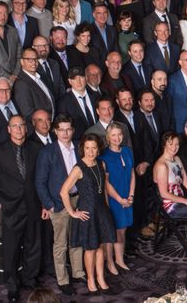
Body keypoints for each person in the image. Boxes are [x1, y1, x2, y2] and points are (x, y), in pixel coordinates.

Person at [0, 115, 42, 302]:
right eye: (14, 126)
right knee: (11, 250)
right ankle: (12, 285)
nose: (18, 129)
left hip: (32, 205)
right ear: (9, 129)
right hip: (11, 207)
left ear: (26, 128)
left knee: (33, 246)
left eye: (21, 126)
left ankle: (29, 279)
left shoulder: (36, 149)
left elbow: (40, 179)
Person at [59, 133, 116, 295]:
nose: (90, 151)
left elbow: (103, 188)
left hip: (101, 211)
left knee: (101, 247)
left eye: (94, 148)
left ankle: (100, 278)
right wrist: (73, 212)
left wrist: (106, 208)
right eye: (87, 148)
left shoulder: (101, 164)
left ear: (98, 150)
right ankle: (90, 279)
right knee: (91, 249)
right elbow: (63, 192)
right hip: (87, 213)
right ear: (83, 149)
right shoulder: (78, 168)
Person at [34, 115, 84, 296]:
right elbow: (40, 183)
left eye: (68, 129)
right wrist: (50, 205)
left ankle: (78, 272)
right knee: (61, 243)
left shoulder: (79, 147)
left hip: (78, 199)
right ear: (55, 131)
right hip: (58, 203)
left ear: (73, 130)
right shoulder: (47, 152)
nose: (65, 133)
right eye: (61, 129)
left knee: (77, 238)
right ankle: (63, 279)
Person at [98, 123, 134, 275]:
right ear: (107, 137)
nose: (117, 138)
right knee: (112, 231)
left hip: (127, 196)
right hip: (114, 199)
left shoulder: (127, 151)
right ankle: (110, 262)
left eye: (119, 134)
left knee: (122, 230)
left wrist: (131, 195)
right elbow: (106, 183)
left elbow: (132, 174)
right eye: (113, 135)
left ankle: (119, 259)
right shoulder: (104, 156)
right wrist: (120, 199)